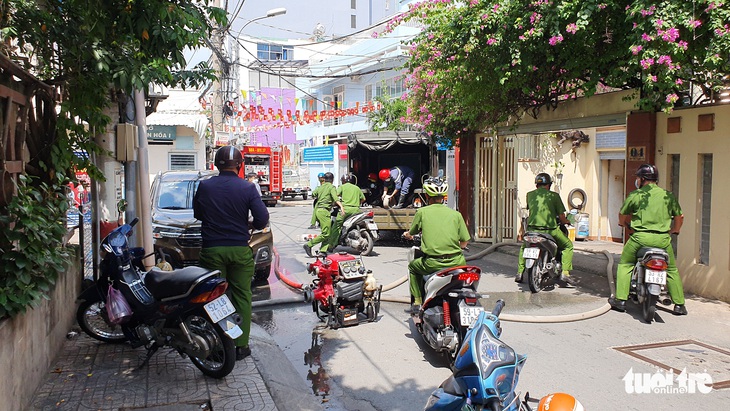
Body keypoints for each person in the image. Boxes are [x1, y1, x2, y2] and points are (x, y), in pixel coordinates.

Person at [193, 146, 269, 361]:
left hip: (212, 250)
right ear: (240, 165)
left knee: (214, 297)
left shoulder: (205, 186)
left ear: (216, 164)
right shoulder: (247, 188)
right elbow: (262, 219)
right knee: (242, 295)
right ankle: (240, 345)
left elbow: (198, 213)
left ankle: (219, 343)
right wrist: (248, 223)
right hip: (239, 250)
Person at [609, 164, 686, 315]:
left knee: (625, 264)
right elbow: (679, 216)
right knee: (671, 269)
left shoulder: (636, 195)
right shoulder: (668, 195)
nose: (637, 181)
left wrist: (622, 223)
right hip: (663, 240)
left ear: (642, 179)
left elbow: (622, 214)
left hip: (639, 239)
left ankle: (621, 300)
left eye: (638, 178)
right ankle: (679, 305)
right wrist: (675, 230)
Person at [402, 177, 469, 314]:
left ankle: (418, 302)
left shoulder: (422, 212)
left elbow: (412, 232)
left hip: (432, 263)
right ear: (444, 196)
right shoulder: (456, 214)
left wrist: (408, 235)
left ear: (426, 195)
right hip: (457, 262)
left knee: (413, 267)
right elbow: (464, 242)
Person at [515, 173, 576, 286]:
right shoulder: (554, 196)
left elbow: (531, 209)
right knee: (568, 246)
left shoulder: (530, 195)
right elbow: (562, 217)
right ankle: (566, 273)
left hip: (531, 230)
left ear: (537, 185)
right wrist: (567, 221)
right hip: (550, 230)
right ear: (548, 185)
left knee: (524, 247)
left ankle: (519, 272)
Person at [303, 172, 343, 257]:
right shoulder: (331, 187)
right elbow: (336, 198)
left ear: (324, 179)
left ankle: (323, 250)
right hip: (324, 211)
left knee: (327, 231)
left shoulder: (320, 187)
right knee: (326, 233)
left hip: (318, 211)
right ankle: (309, 244)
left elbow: (313, 194)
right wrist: (341, 207)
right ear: (332, 179)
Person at [330, 173, 366, 250]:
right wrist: (357, 203)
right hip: (356, 210)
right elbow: (363, 199)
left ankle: (332, 245)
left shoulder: (342, 187)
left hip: (345, 210)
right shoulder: (356, 188)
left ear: (343, 180)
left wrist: (334, 203)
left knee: (337, 226)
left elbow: (335, 196)